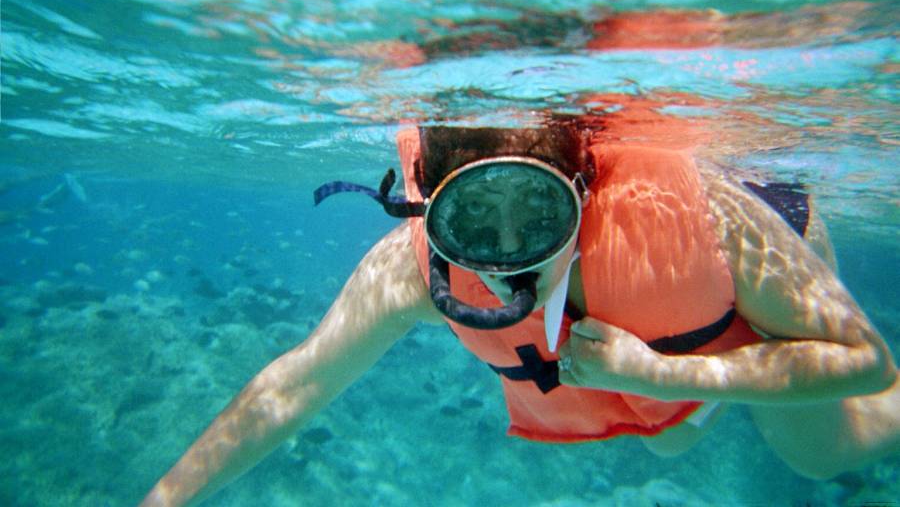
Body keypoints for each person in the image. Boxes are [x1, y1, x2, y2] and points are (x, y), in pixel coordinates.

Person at [140, 112, 899, 506]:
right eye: (472, 224)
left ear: (584, 191)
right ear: (428, 211)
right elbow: (293, 386)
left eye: (536, 219)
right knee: (665, 443)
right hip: (652, 354)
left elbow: (862, 359)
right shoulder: (410, 272)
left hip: (765, 242)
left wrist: (664, 374)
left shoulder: (691, 220)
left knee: (820, 450)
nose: (509, 263)